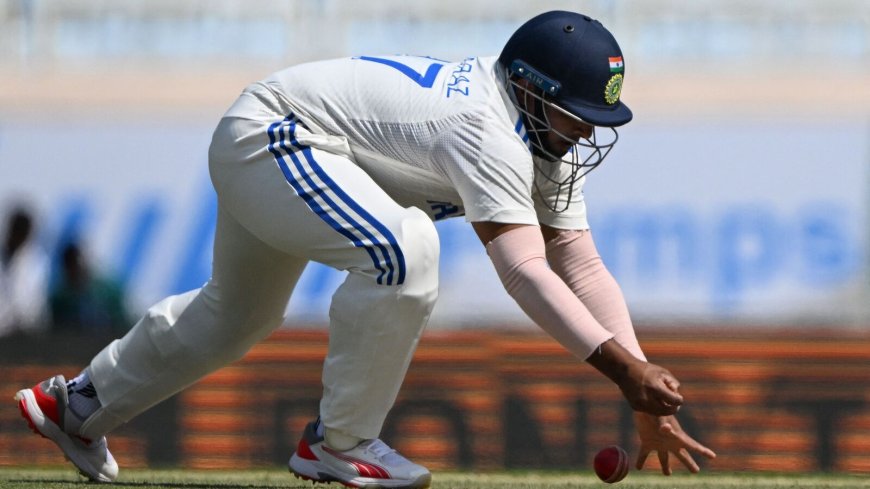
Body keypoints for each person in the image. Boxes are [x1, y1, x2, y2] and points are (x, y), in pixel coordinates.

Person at [15, 10, 716, 487]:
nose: (587, 134)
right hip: (274, 135)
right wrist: (624, 369)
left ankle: (78, 405)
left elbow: (580, 264)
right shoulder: (489, 129)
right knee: (402, 251)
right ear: (530, 89)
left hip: (276, 140)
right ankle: (340, 443)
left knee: (235, 316)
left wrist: (643, 389)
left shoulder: (541, 138)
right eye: (578, 114)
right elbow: (527, 272)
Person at [49, 241, 131, 336]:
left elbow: (121, 324)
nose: (76, 270)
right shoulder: (61, 299)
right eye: (72, 266)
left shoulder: (107, 292)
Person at [0, 205, 50, 338]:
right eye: (16, 231)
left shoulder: (36, 261)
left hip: (25, 334)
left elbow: (33, 304)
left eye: (23, 233)